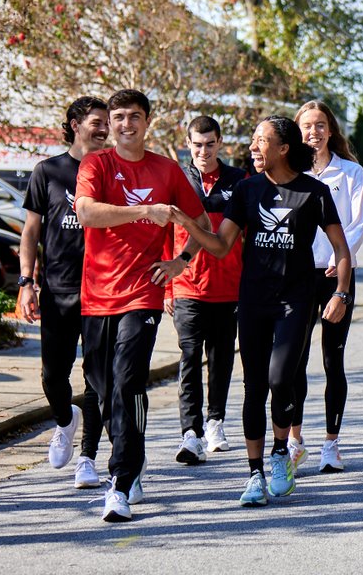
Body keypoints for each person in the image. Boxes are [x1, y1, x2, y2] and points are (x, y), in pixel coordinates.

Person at [171, 116, 352, 508]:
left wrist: (340, 292)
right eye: (253, 140)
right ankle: (254, 474)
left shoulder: (314, 192)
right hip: (252, 298)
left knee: (280, 377)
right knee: (254, 386)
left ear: (283, 148)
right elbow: (220, 246)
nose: (254, 147)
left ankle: (278, 452)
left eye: (261, 140)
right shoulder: (247, 190)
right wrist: (186, 222)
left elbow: (341, 250)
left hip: (296, 300)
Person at [75, 90, 208, 522]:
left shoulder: (167, 169)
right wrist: (144, 210)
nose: (126, 123)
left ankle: (120, 482)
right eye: (118, 117)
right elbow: (88, 213)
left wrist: (180, 262)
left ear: (147, 121)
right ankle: (132, 449)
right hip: (96, 295)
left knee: (127, 381)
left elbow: (200, 223)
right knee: (101, 387)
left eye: (135, 116)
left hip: (142, 294)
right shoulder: (96, 165)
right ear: (110, 123)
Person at [18, 96, 109, 489]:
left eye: (107, 121)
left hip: (104, 289)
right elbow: (31, 232)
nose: (105, 127)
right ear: (74, 124)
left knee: (97, 378)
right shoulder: (48, 171)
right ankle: (64, 420)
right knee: (52, 375)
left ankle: (87, 457)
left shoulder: (113, 170)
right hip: (58, 290)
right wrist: (26, 282)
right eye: (97, 121)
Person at [287, 100, 363, 474]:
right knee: (293, 361)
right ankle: (294, 440)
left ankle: (331, 444)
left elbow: (358, 224)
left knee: (332, 360)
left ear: (331, 129)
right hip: (299, 276)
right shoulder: (289, 173)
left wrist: (341, 258)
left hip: (337, 275)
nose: (313, 133)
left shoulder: (351, 172)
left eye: (320, 125)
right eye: (306, 126)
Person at [166, 116, 246, 465]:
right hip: (187, 286)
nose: (203, 151)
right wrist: (168, 286)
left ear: (220, 143)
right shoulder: (177, 179)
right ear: (188, 142)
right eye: (197, 144)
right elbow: (164, 235)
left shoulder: (239, 181)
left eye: (209, 144)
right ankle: (191, 433)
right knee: (188, 358)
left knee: (221, 360)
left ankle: (215, 422)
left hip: (229, 287)